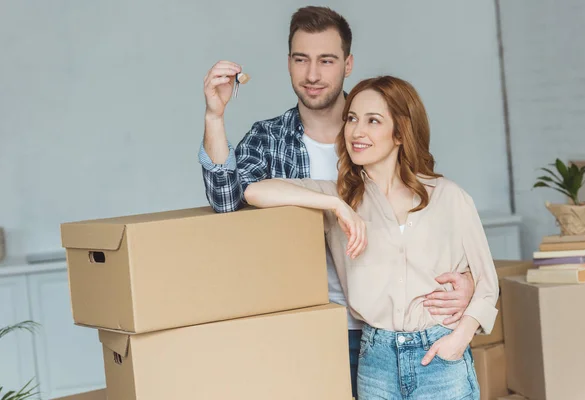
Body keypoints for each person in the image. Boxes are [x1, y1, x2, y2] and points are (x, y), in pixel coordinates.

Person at [198, 6, 476, 397]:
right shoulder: (269, 138)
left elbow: (428, 215)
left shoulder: (380, 126)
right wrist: (214, 116)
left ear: (347, 64)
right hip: (310, 323)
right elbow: (227, 199)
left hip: (394, 329)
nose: (312, 75)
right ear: (289, 63)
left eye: (326, 60)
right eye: (301, 59)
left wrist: (468, 284)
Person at [244, 76, 499, 399]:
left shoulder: (449, 197)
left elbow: (488, 284)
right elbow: (253, 191)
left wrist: (458, 339)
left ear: (400, 132)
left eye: (373, 121)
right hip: (375, 360)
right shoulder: (339, 198)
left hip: (439, 356)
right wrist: (336, 205)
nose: (356, 131)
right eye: (351, 119)